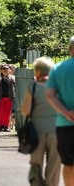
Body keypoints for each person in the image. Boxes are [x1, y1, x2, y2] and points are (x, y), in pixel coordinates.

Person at [21, 57, 61, 186]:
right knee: (54, 164)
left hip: (36, 130)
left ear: (38, 71)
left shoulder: (32, 87)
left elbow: (26, 110)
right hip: (56, 129)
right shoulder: (59, 86)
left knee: (36, 163)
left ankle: (36, 183)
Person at [46, 36, 74, 186]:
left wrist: (66, 113)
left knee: (68, 163)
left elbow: (50, 96)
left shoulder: (58, 69)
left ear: (70, 49)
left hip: (65, 124)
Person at [0, 64, 15, 132]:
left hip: (9, 97)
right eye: (4, 69)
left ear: (9, 70)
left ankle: (6, 126)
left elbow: (15, 87)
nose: (6, 70)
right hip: (0, 97)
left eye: (7, 69)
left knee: (7, 112)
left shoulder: (13, 77)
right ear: (1, 70)